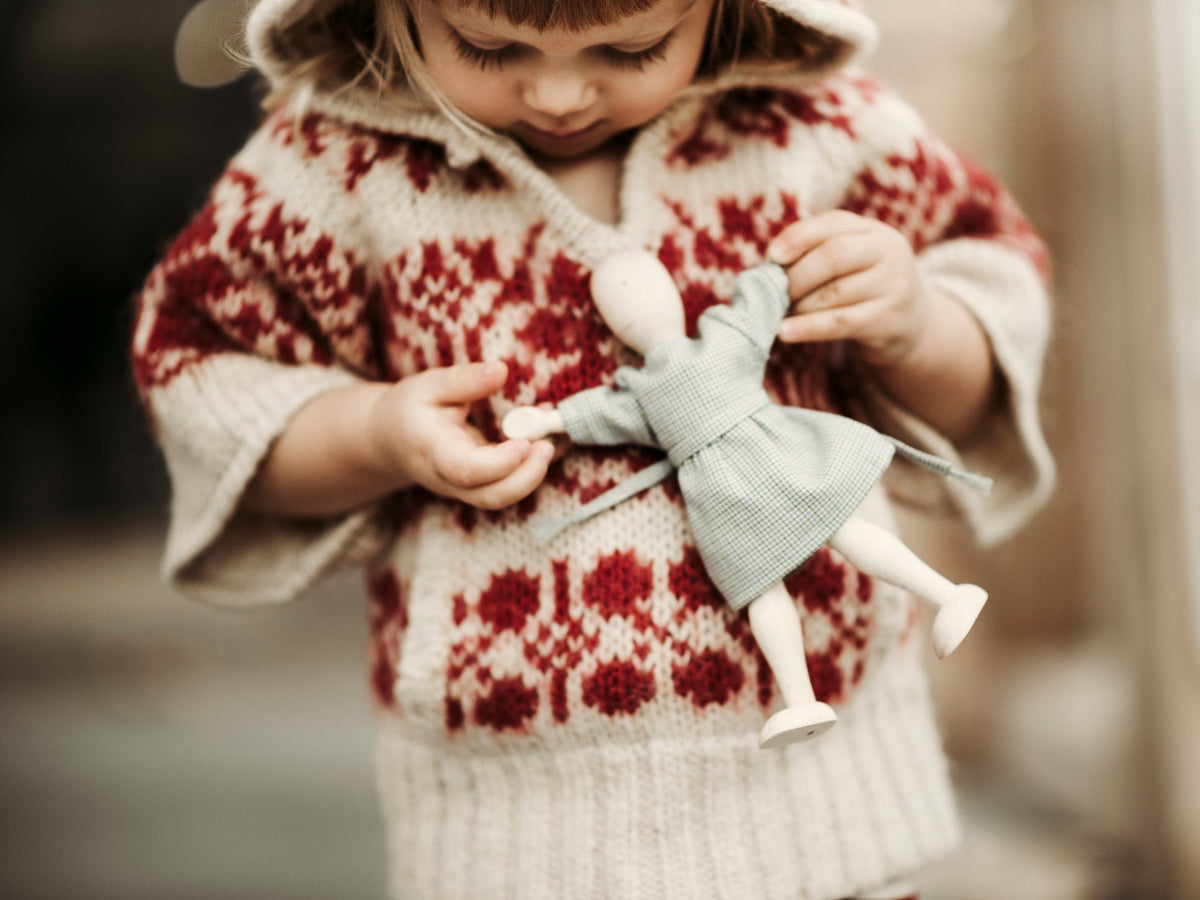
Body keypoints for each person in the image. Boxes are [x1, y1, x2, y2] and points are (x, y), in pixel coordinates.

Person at [131, 0, 1055, 897]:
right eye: (492, 48)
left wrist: (919, 325)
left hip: (831, 788)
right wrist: (373, 433)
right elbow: (202, 371)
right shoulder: (332, 166)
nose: (562, 96)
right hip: (522, 817)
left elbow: (991, 291)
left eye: (632, 47)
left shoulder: (812, 127)